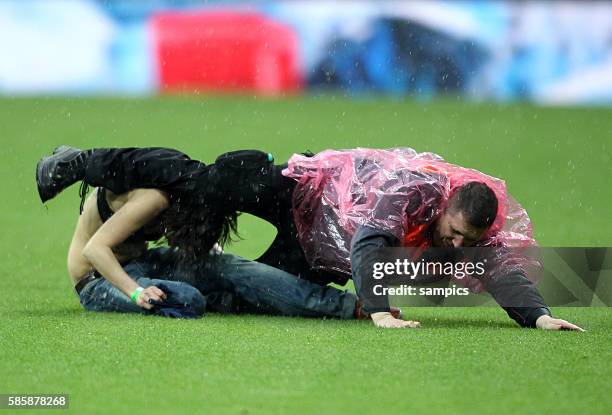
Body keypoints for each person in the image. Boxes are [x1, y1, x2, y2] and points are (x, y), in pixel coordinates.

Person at [38, 146, 582, 331]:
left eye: (468, 241)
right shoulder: (155, 195)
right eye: (456, 236)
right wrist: (378, 309)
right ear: (445, 210)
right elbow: (370, 248)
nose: (458, 249)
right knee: (209, 183)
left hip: (319, 240)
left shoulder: (461, 213)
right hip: (300, 194)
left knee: (247, 289)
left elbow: (499, 266)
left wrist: (535, 314)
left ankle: (325, 303)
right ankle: (75, 160)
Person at [36, 146, 384, 320]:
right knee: (189, 299)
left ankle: (349, 307)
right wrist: (135, 293)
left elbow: (183, 236)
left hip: (144, 262)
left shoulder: (181, 194)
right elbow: (95, 250)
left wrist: (213, 258)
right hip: (100, 282)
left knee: (232, 268)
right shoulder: (154, 198)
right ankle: (215, 297)